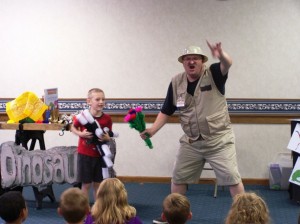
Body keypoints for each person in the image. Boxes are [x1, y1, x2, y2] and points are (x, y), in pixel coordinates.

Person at [140, 41, 245, 223]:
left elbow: (227, 63)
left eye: (195, 59)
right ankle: (172, 216)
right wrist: (152, 130)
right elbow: (166, 110)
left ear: (202, 61)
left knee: (232, 178)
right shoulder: (176, 82)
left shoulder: (214, 73)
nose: (191, 62)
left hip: (219, 140)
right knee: (178, 178)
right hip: (191, 142)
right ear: (183, 62)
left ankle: (245, 216)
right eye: (187, 59)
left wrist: (220, 54)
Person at [71, 88, 113, 201]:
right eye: (97, 99)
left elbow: (109, 134)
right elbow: (72, 127)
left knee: (98, 185)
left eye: (103, 99)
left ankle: (97, 209)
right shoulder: (83, 117)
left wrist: (107, 137)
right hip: (85, 155)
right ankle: (84, 210)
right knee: (86, 185)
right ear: (89, 101)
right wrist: (80, 133)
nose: (101, 102)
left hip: (100, 156)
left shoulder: (107, 119)